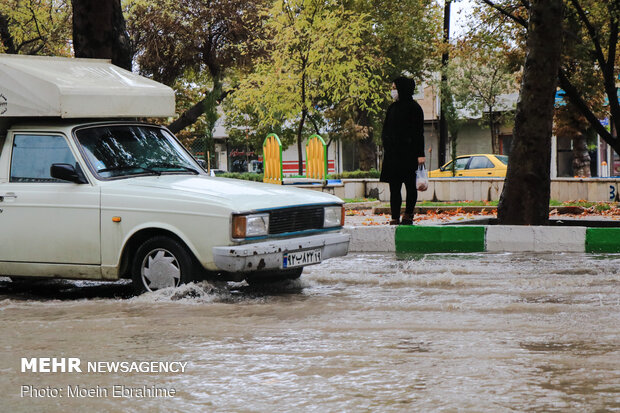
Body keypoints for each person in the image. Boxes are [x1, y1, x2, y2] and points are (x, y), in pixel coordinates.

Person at [379, 76, 425, 225]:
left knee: (410, 186)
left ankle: (408, 215)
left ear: (402, 89)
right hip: (393, 155)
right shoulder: (392, 108)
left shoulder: (415, 108)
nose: (393, 91)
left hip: (409, 155)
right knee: (394, 188)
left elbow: (418, 133)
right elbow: (386, 130)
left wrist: (420, 154)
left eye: (394, 88)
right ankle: (394, 217)